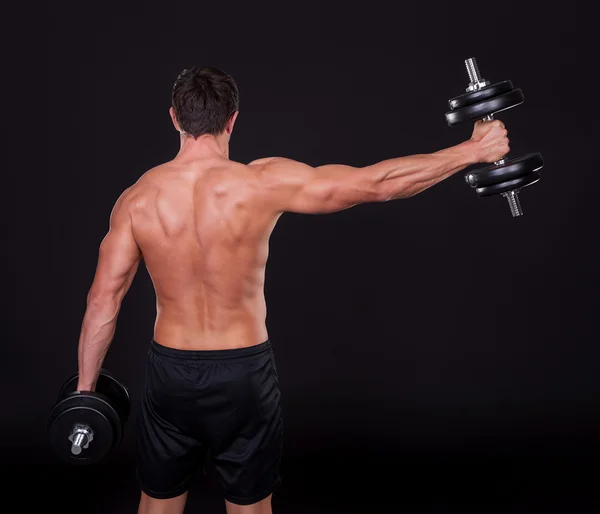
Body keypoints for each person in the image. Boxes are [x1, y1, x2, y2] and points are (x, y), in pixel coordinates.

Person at [75, 66, 509, 514]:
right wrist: (472, 151)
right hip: (243, 373)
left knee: (158, 505)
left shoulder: (136, 199)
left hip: (171, 375)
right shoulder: (261, 183)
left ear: (174, 118)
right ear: (232, 120)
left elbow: (102, 301)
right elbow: (375, 185)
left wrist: (86, 392)